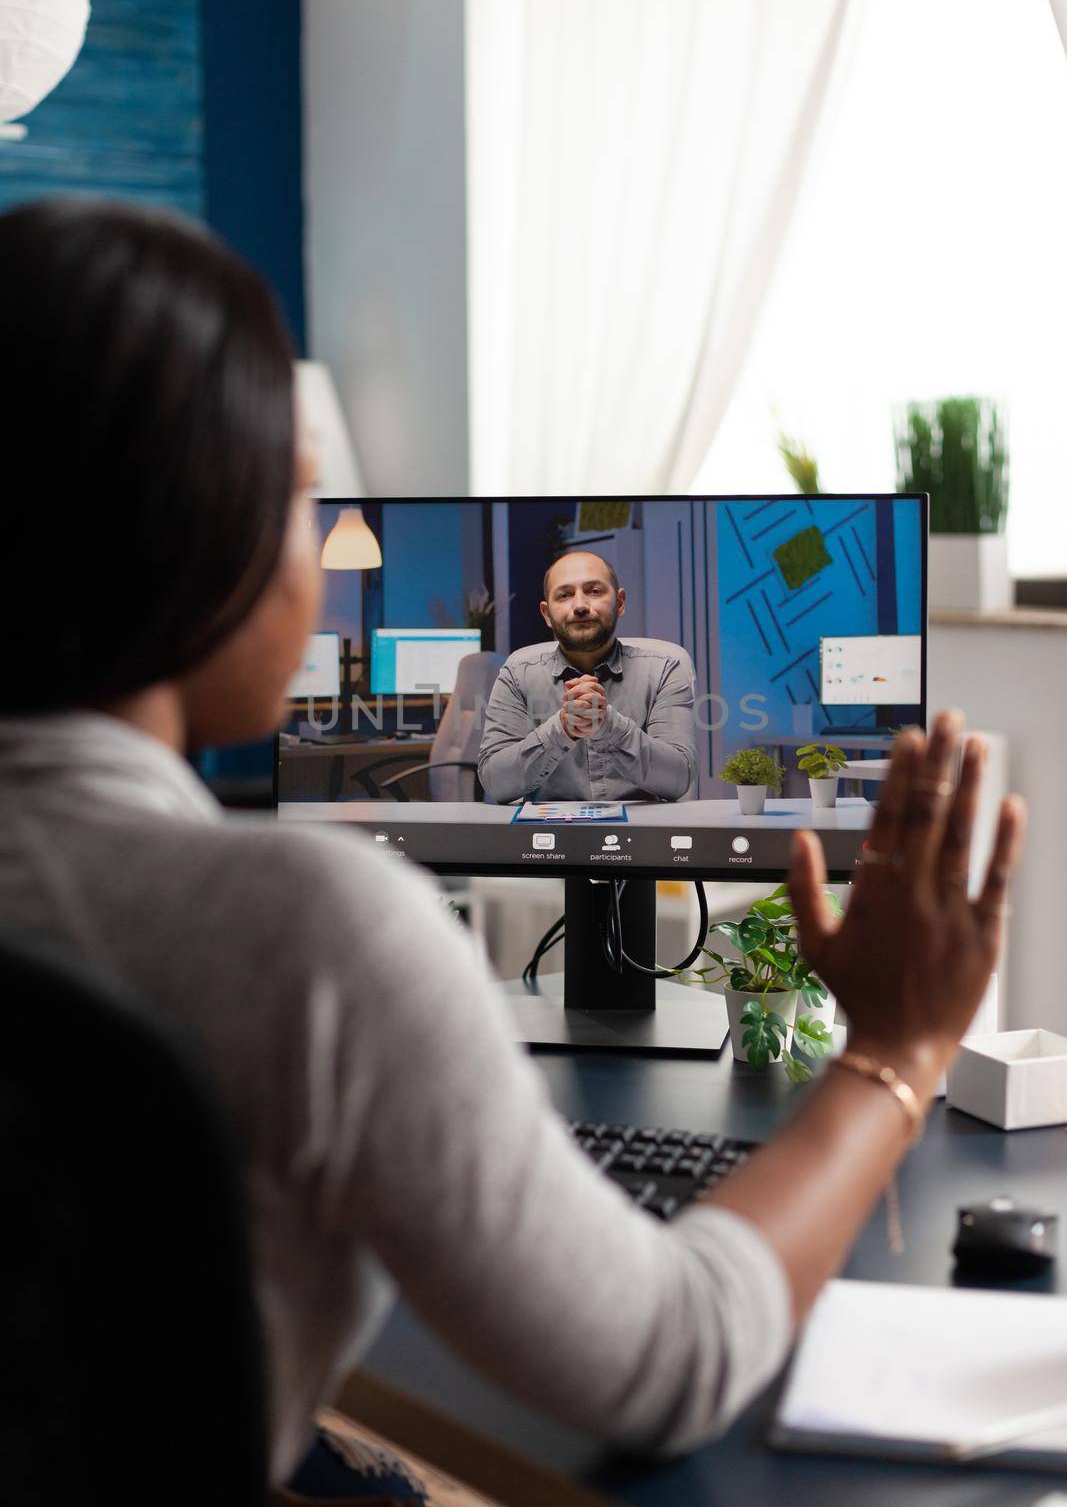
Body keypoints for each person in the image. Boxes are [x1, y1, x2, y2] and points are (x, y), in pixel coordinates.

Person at [0, 199, 1026, 1493]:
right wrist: (893, 1045)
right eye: (302, 502)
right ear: (186, 527)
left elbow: (662, 774)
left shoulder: (653, 666)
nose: (316, 564)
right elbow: (669, 1358)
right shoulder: (316, 928)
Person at [478, 550, 697, 803]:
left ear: (620, 602)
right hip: (549, 837)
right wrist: (561, 729)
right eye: (565, 594)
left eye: (594, 591)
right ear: (547, 614)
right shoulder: (518, 672)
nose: (580, 605)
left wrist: (609, 726)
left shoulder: (665, 668)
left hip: (640, 835)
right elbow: (496, 783)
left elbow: (679, 780)